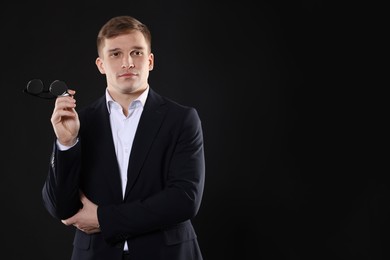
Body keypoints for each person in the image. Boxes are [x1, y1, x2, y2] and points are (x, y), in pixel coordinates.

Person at [42, 15, 205, 260]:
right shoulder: (79, 122)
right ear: (101, 64)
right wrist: (67, 144)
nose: (127, 62)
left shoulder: (182, 119)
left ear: (150, 61)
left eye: (137, 53)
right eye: (115, 54)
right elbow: (61, 209)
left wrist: (104, 219)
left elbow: (185, 199)